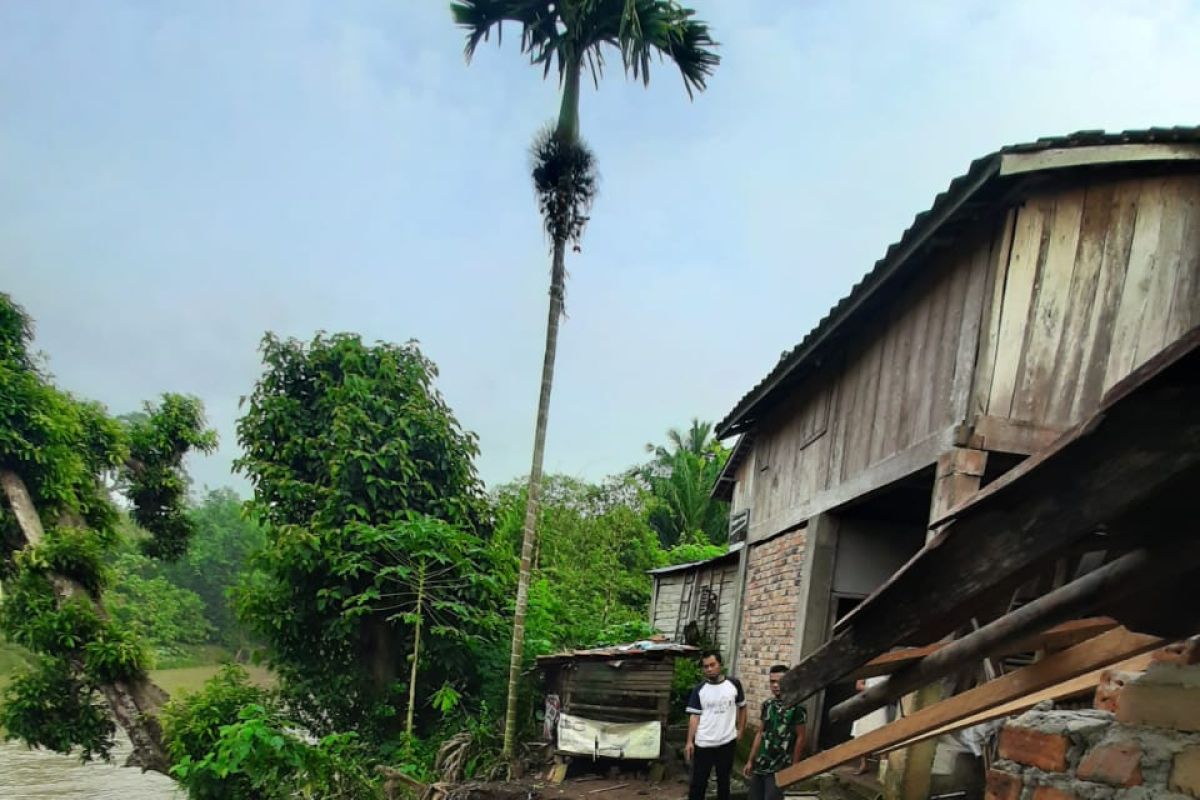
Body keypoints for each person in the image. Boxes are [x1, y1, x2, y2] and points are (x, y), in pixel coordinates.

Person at [685, 650, 746, 800]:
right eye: (706, 666)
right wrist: (689, 741)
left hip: (726, 742)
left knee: (724, 782)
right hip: (704, 742)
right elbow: (694, 716)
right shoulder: (699, 690)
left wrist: (741, 729)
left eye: (712, 665)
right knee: (698, 783)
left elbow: (742, 707)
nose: (709, 669)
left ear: (720, 665)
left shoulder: (734, 684)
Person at [742, 664, 807, 800]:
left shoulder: (797, 707)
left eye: (779, 681)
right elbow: (760, 733)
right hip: (762, 763)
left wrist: (794, 766)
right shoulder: (768, 705)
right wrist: (750, 760)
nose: (776, 685)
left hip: (780, 765)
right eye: (772, 682)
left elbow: (801, 737)